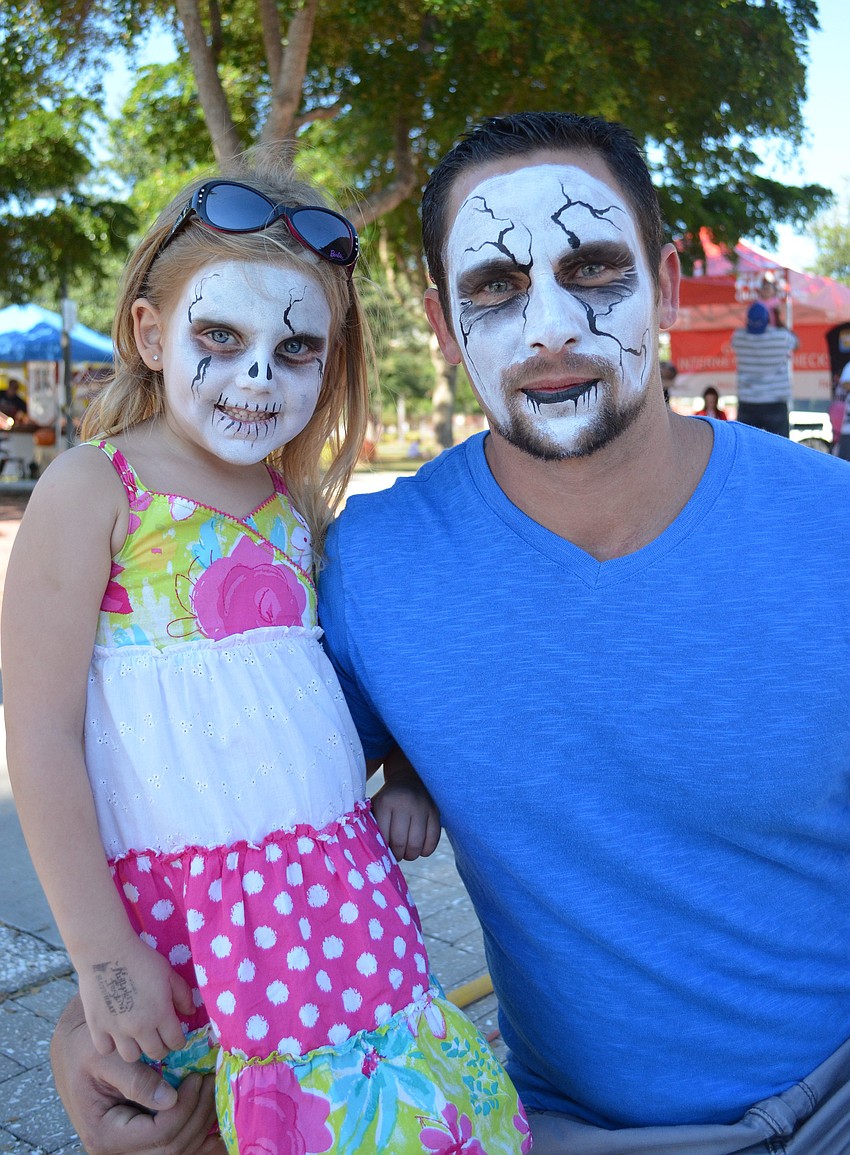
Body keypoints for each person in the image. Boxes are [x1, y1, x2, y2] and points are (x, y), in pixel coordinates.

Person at [50, 109, 850, 1155]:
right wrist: (88, 1027)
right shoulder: (370, 568)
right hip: (566, 1129)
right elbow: (223, 788)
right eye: (497, 285)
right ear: (440, 322)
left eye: (593, 269)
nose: (550, 328)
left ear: (662, 281)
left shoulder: (832, 528)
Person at [4, 149, 527, 1154]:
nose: (257, 376)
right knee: (204, 1126)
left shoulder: (295, 510)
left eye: (295, 350)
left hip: (339, 901)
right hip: (184, 920)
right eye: (220, 336)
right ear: (150, 334)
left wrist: (406, 770)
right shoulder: (94, 489)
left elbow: (329, 688)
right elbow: (40, 735)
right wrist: (102, 954)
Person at [730, 300, 798, 436]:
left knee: (747, 445)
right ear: (768, 320)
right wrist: (778, 321)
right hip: (775, 402)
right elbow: (796, 343)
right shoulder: (781, 337)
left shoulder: (738, 337)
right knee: (778, 446)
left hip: (748, 401)